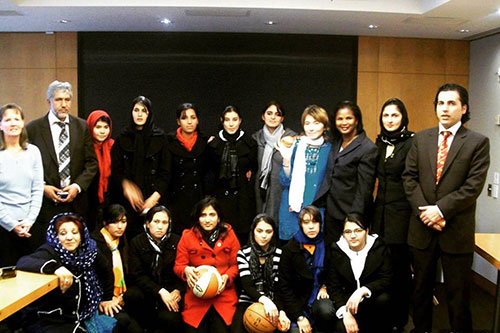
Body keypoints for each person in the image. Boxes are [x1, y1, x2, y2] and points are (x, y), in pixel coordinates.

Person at [402, 83, 490, 333]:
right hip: (422, 230)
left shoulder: (478, 142)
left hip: (456, 231)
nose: (445, 108)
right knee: (420, 293)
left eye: (452, 103)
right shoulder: (421, 138)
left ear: (464, 108)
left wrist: (439, 211)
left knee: (458, 296)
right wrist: (426, 213)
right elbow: (409, 178)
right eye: (440, 103)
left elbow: (473, 187)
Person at [16, 212, 117, 333]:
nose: (69, 237)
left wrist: (106, 298)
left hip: (84, 313)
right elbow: (23, 262)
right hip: (52, 320)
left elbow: (105, 270)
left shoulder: (89, 250)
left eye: (75, 232)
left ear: (81, 235)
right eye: (63, 233)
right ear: (56, 236)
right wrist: (55, 268)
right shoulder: (50, 250)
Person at [26, 80, 98, 250]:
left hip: (76, 203)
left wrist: (77, 186)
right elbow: (26, 168)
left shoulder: (81, 127)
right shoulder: (33, 129)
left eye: (67, 100)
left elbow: (91, 163)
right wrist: (42, 187)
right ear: (48, 101)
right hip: (46, 205)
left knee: (76, 252)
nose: (63, 104)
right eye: (58, 100)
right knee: (48, 251)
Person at [371, 98, 414, 330]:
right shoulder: (379, 143)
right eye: (386, 116)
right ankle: (382, 319)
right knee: (380, 269)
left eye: (394, 115)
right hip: (380, 216)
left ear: (403, 118)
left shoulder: (412, 143)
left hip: (403, 215)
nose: (390, 120)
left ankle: (400, 320)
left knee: (399, 271)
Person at [173, 197, 240, 332]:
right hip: (196, 297)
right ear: (197, 218)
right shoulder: (187, 236)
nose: (207, 220)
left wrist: (227, 277)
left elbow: (236, 265)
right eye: (203, 215)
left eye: (212, 215)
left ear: (219, 217)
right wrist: (186, 270)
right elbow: (178, 265)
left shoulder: (230, 235)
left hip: (223, 296)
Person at [315, 100, 378, 244]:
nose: (344, 122)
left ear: (357, 121)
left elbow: (364, 189)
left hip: (350, 215)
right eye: (340, 118)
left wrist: (354, 218)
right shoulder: (336, 142)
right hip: (332, 211)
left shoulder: (367, 148)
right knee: (332, 255)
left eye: (348, 118)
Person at [111, 96, 169, 238]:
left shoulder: (160, 138)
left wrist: (153, 199)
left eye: (144, 111)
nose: (139, 114)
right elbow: (116, 170)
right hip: (127, 203)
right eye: (136, 110)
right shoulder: (122, 138)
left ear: (149, 114)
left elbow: (166, 172)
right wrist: (126, 185)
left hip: (154, 200)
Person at [326, 213, 393, 333]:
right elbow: (333, 286)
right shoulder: (336, 251)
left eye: (358, 230)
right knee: (341, 327)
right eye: (347, 231)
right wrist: (345, 313)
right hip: (346, 304)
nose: (353, 236)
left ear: (367, 231)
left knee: (384, 299)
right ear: (342, 234)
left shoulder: (379, 247)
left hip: (371, 303)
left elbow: (386, 279)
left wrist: (363, 290)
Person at [278, 205, 335, 333]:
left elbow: (334, 274)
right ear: (300, 224)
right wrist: (299, 316)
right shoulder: (289, 249)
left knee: (325, 310)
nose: (311, 226)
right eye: (306, 222)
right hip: (297, 302)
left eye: (315, 222)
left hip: (318, 298)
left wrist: (325, 286)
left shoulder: (328, 244)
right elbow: (284, 286)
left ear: (320, 224)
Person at [277, 105, 331, 241]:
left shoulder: (330, 149)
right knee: (291, 254)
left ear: (324, 126)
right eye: (307, 123)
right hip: (292, 209)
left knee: (315, 254)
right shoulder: (295, 145)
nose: (311, 128)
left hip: (316, 209)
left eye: (316, 123)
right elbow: (284, 181)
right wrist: (286, 160)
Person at [127, 205, 184, 332]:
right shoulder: (137, 242)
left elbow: (183, 268)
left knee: (169, 318)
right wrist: (159, 290)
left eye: (164, 222)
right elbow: (137, 274)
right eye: (156, 222)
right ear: (148, 223)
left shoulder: (178, 241)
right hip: (147, 289)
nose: (160, 226)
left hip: (170, 291)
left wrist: (178, 290)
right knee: (132, 296)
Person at [0, 103, 43, 267]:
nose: (13, 123)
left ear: (23, 122)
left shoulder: (33, 152)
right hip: (3, 228)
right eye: (8, 119)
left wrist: (29, 220)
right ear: (0, 125)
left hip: (30, 226)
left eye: (17, 119)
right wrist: (12, 224)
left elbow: (38, 188)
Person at [232, 213, 291, 333]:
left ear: (274, 233)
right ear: (253, 231)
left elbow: (279, 287)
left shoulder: (280, 254)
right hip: (248, 301)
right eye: (259, 231)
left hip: (274, 301)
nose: (263, 236)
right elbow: (247, 286)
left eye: (268, 231)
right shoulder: (243, 253)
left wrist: (282, 311)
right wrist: (265, 300)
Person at [207, 105, 257, 245]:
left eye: (234, 119)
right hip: (221, 197)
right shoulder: (214, 144)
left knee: (241, 238)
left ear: (240, 121)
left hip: (243, 199)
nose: (231, 123)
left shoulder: (250, 143)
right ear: (222, 121)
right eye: (227, 119)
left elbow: (254, 168)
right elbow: (209, 171)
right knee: (220, 238)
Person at [91, 204, 142, 333]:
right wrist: (108, 299)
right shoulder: (95, 244)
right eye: (115, 222)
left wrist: (121, 297)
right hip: (102, 301)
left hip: (120, 297)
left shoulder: (121, 241)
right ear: (105, 223)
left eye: (123, 222)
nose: (120, 226)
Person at [166, 103, 210, 234]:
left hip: (198, 199)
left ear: (198, 120)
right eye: (184, 118)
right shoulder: (169, 142)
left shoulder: (205, 142)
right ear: (178, 121)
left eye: (193, 117)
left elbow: (209, 172)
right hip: (176, 201)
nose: (189, 121)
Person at [252, 101, 296, 224]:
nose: (272, 117)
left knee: (279, 224)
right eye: (269, 113)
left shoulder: (291, 138)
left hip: (281, 189)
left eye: (277, 114)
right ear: (263, 116)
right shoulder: (256, 138)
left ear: (282, 118)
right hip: (260, 189)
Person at [86, 110, 115, 232]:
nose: (102, 131)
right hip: (89, 200)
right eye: (98, 127)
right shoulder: (85, 147)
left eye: (105, 127)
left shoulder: (113, 146)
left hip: (109, 198)